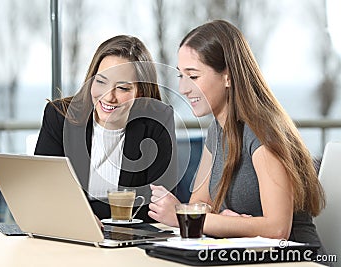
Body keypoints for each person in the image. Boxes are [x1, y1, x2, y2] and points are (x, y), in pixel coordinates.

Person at [149, 20, 328, 256]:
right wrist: (228, 223)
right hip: (249, 257)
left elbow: (277, 230)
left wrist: (185, 216)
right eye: (181, 76)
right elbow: (202, 207)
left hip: (297, 259)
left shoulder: (263, 131)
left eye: (193, 76)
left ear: (228, 77)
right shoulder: (216, 130)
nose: (183, 88)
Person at [35, 35, 177, 223]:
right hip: (69, 234)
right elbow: (42, 191)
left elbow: (158, 204)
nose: (109, 97)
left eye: (123, 88)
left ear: (140, 92)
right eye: (101, 82)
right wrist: (77, 218)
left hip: (132, 239)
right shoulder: (59, 116)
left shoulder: (157, 121)